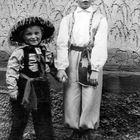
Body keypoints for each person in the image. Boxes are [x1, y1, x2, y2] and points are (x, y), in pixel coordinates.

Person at [55, 0, 108, 139]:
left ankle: (86, 130)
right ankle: (74, 129)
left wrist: (95, 69)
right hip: (72, 57)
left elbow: (101, 43)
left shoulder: (100, 19)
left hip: (91, 57)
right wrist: (61, 67)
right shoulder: (68, 19)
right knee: (71, 91)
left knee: (91, 93)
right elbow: (61, 43)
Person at [6, 16, 55, 140]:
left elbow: (50, 66)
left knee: (43, 116)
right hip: (24, 88)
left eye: (36, 33)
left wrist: (59, 74)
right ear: (23, 36)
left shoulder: (45, 50)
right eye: (29, 34)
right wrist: (13, 90)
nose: (34, 37)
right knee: (20, 117)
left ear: (42, 34)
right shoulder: (19, 52)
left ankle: (45, 137)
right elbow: (12, 71)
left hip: (42, 86)